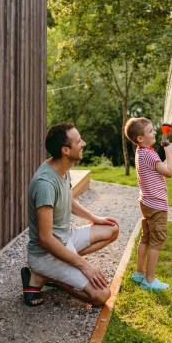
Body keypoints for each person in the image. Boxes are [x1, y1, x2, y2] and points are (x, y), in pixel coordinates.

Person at [21, 123, 120, 306]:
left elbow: (68, 200)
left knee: (112, 229)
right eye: (78, 141)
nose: (83, 143)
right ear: (66, 150)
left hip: (66, 239)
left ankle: (51, 274)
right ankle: (46, 276)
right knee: (101, 295)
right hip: (46, 255)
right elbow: (45, 238)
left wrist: (94, 219)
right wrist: (84, 265)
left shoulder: (61, 168)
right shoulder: (45, 185)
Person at [124, 118, 172, 291]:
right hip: (157, 206)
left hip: (147, 203)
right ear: (140, 138)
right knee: (157, 241)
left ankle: (139, 273)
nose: (154, 132)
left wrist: (167, 155)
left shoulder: (142, 152)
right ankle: (149, 280)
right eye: (150, 131)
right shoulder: (150, 154)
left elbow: (159, 169)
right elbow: (169, 172)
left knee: (146, 238)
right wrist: (169, 154)